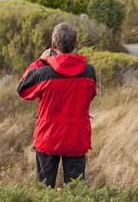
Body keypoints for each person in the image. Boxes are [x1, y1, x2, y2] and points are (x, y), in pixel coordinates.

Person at [16, 22, 96, 188]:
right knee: (75, 193)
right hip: (76, 138)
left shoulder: (43, 73)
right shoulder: (89, 72)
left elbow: (22, 89)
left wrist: (40, 62)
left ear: (53, 45)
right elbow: (91, 94)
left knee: (44, 191)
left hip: (48, 138)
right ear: (76, 44)